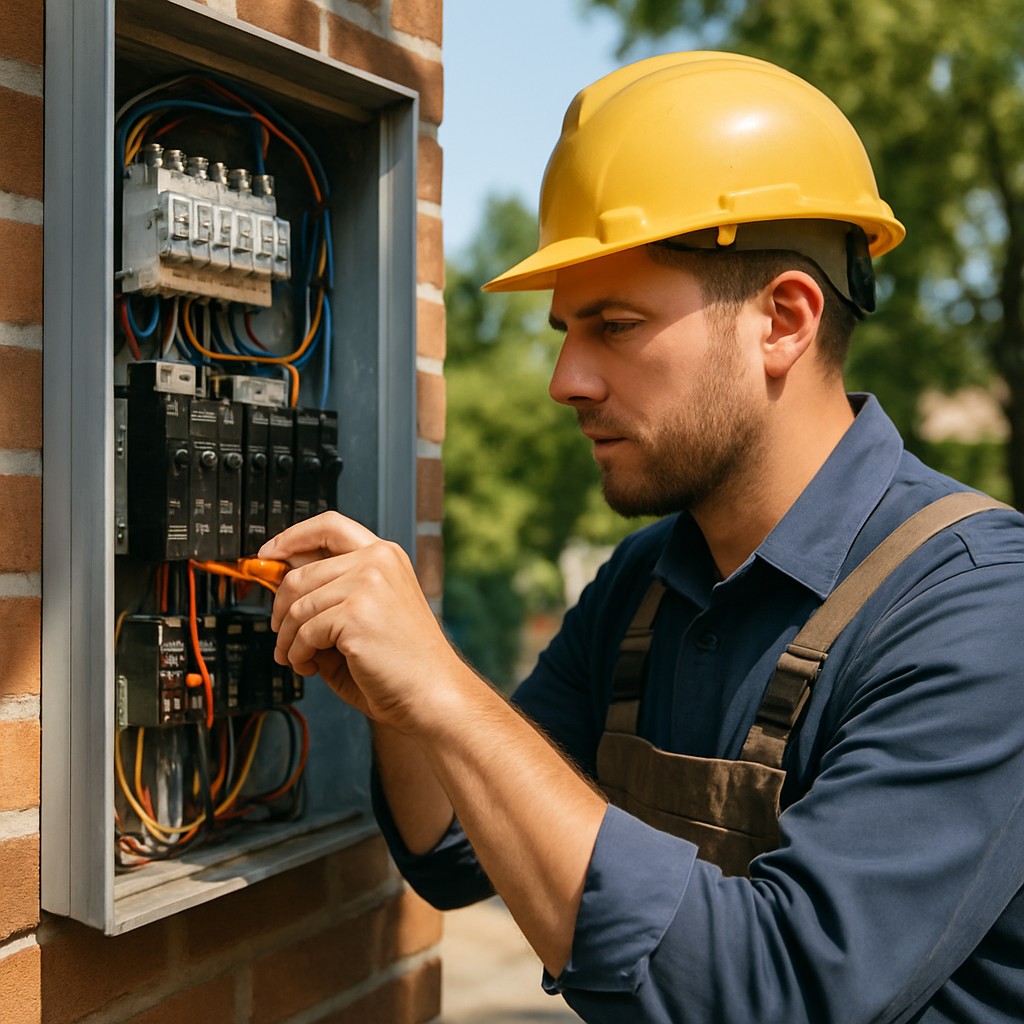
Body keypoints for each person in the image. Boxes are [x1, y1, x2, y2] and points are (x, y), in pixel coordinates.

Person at [259, 52, 1024, 1023]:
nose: (565, 379)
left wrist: (450, 695)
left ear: (783, 318)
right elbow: (457, 850)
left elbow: (779, 995)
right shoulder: (644, 585)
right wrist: (399, 697)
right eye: (564, 331)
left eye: (614, 325)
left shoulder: (980, 608)